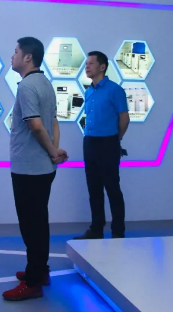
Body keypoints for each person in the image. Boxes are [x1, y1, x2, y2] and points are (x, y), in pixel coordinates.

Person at [3, 37, 68, 302]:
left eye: (16, 51)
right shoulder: (45, 84)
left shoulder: (28, 86)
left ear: (28, 57)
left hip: (29, 169)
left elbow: (36, 125)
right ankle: (39, 271)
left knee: (31, 225)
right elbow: (53, 123)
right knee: (38, 222)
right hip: (42, 168)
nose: (13, 56)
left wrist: (52, 151)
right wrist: (54, 151)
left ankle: (33, 282)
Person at [74, 51, 129, 240]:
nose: (87, 67)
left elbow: (124, 118)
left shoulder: (115, 90)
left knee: (112, 189)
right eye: (86, 64)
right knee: (94, 189)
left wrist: (115, 140)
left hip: (108, 143)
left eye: (91, 63)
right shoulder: (89, 91)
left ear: (102, 67)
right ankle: (96, 229)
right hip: (89, 143)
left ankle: (118, 232)